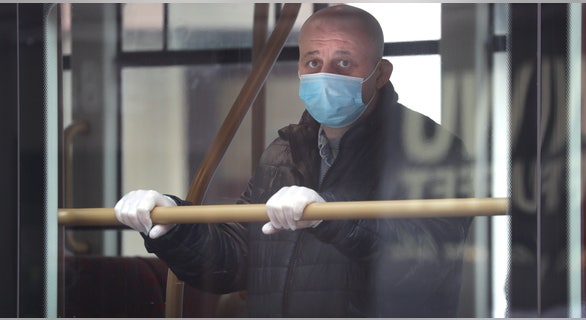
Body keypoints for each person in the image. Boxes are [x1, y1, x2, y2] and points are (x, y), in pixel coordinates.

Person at [115, 4, 472, 317]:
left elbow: (426, 260)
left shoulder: (428, 149)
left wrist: (329, 215)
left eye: (343, 62)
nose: (325, 75)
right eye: (313, 62)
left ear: (381, 73)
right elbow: (237, 260)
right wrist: (172, 224)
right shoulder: (284, 151)